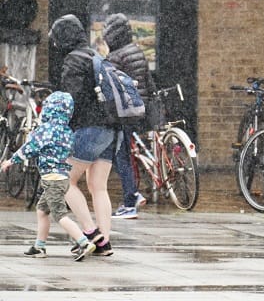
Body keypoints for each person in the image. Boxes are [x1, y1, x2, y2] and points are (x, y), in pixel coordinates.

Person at [0, 92, 97, 261]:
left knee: (59, 215)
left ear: (48, 109)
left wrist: (11, 160)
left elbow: (30, 148)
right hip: (62, 178)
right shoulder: (67, 131)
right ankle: (40, 246)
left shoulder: (46, 130)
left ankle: (84, 243)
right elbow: (70, 151)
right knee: (42, 210)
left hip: (52, 179)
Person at [48, 14, 116, 256]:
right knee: (99, 186)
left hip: (88, 128)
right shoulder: (96, 56)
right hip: (110, 129)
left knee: (62, 180)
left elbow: (70, 100)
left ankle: (89, 232)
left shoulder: (74, 60)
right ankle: (104, 242)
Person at [102, 13, 155, 219]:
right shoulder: (136, 51)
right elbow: (148, 82)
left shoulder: (116, 57)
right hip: (140, 109)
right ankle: (134, 191)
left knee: (120, 155)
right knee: (125, 152)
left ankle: (130, 201)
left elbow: (110, 89)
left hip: (124, 113)